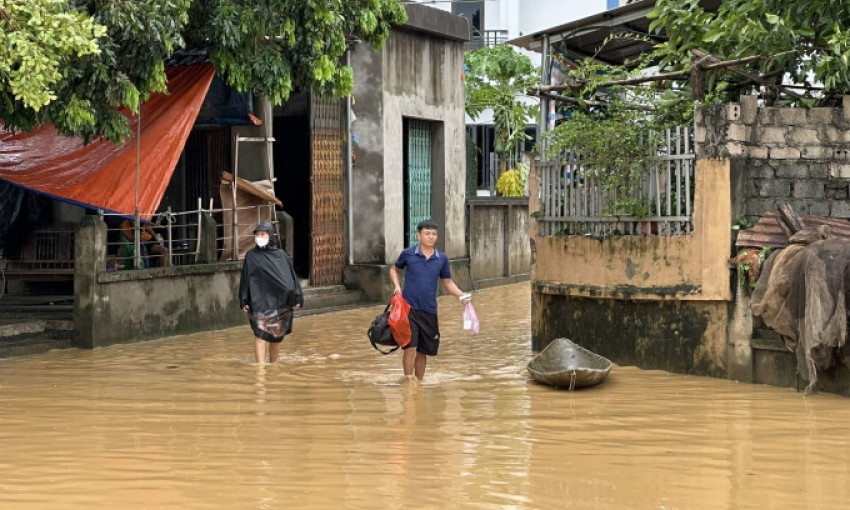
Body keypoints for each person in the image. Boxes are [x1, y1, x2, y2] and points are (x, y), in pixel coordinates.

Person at [389, 219, 471, 381]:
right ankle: (408, 381)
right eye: (427, 233)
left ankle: (418, 382)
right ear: (418, 235)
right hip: (408, 309)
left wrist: (461, 294)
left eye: (434, 234)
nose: (431, 237)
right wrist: (397, 287)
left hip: (429, 311)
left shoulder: (441, 259)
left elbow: (447, 282)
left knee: (423, 350)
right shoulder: (408, 254)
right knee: (410, 347)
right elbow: (394, 269)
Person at [239, 221, 303, 363]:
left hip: (279, 301)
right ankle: (260, 369)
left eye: (263, 234)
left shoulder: (281, 255)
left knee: (276, 337)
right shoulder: (251, 256)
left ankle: (273, 365)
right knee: (260, 335)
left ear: (270, 236)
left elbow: (291, 278)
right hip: (258, 300)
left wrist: (297, 298)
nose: (259, 237)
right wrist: (244, 300)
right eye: (257, 234)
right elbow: (245, 279)